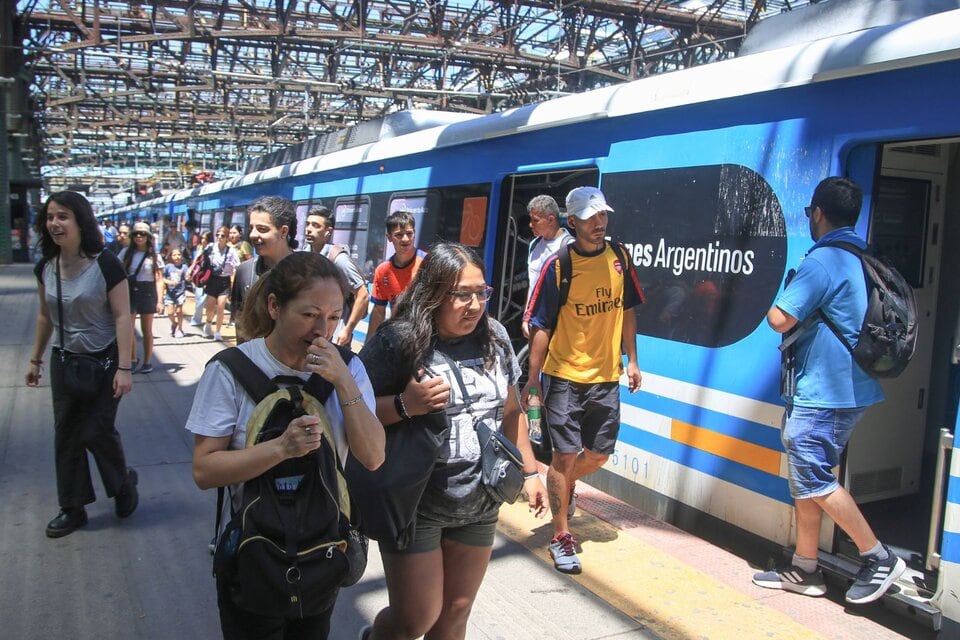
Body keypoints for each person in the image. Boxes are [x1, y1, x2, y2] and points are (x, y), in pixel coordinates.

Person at [186, 251, 385, 640]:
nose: (321, 330)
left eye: (333, 317)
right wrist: (281, 448)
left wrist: (343, 381)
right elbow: (204, 470)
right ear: (275, 306)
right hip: (254, 556)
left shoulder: (348, 368)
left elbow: (374, 456)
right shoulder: (230, 370)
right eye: (309, 315)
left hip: (323, 553)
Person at [359, 242, 547, 640]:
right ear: (434, 293)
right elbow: (350, 409)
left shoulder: (494, 336)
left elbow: (510, 409)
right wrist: (405, 405)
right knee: (415, 619)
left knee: (455, 615)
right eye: (462, 294)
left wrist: (530, 472)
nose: (475, 305)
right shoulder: (400, 340)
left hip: (479, 501)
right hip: (416, 502)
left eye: (482, 293)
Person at [753, 176, 905, 604]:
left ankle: (877, 557)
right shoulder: (863, 255)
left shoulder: (823, 262)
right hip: (852, 387)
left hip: (825, 391)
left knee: (814, 476)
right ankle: (805, 568)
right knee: (808, 476)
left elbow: (779, 319)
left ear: (817, 214)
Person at [522, 186, 644, 575]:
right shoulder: (558, 265)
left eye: (603, 215)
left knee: (599, 454)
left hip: (606, 376)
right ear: (571, 222)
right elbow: (540, 325)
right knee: (564, 456)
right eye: (591, 217)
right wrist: (533, 380)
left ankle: (561, 484)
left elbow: (627, 310)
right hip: (564, 377)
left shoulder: (620, 258)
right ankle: (561, 535)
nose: (600, 223)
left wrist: (633, 361)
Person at [25, 191, 139, 538]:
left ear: (80, 222)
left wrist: (124, 367)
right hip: (65, 361)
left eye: (63, 217)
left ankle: (122, 484)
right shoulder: (46, 266)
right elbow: (46, 317)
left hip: (104, 361)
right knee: (67, 435)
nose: (55, 224)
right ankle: (72, 508)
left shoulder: (106, 264)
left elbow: (123, 317)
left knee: (96, 430)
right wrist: (35, 359)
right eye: (50, 217)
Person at [304, 206, 370, 347]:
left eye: (315, 226)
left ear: (328, 231)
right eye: (308, 224)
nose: (309, 229)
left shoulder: (338, 259)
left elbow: (363, 295)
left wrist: (348, 329)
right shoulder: (306, 253)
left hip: (333, 337)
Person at [231, 196, 299, 333]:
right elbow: (240, 322)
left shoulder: (306, 271)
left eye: (262, 229)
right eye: (251, 228)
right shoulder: (245, 271)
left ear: (284, 231)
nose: (253, 235)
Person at [365, 211, 425, 344]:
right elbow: (378, 312)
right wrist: (368, 344)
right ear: (389, 237)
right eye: (399, 235)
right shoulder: (382, 270)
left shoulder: (428, 263)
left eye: (409, 233)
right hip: (398, 339)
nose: (405, 239)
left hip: (425, 338)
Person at [523, 195, 571, 338]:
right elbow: (532, 284)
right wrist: (526, 316)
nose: (531, 225)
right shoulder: (534, 245)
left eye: (535, 220)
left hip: (558, 325)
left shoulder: (569, 247)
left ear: (551, 220)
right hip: (534, 321)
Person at [119, 221, 164, 374]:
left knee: (147, 330)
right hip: (130, 291)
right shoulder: (126, 253)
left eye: (143, 234)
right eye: (136, 234)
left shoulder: (154, 256)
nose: (139, 236)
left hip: (148, 291)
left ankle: (147, 361)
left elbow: (159, 279)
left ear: (148, 236)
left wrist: (160, 300)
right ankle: (132, 358)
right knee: (129, 329)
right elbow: (117, 270)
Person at [203, 226, 241, 341]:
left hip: (224, 281)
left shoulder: (231, 251)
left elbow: (237, 266)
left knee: (220, 306)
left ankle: (218, 332)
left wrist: (236, 278)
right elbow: (200, 259)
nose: (219, 237)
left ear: (227, 238)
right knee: (210, 306)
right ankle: (208, 322)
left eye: (222, 235)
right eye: (218, 235)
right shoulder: (210, 247)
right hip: (212, 280)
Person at [162, 248, 189, 338]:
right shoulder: (168, 266)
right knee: (170, 313)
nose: (176, 257)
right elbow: (162, 278)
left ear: (181, 256)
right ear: (171, 256)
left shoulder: (184, 267)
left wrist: (189, 278)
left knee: (179, 311)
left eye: (178, 255)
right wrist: (168, 282)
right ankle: (174, 323)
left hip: (180, 292)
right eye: (174, 255)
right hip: (170, 293)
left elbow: (187, 277)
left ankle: (180, 329)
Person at [190, 231, 212, 329]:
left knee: (201, 300)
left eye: (205, 238)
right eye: (202, 238)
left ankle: (197, 319)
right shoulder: (201, 248)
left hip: (205, 279)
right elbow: (196, 261)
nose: (203, 240)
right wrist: (190, 270)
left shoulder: (210, 250)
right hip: (197, 277)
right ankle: (197, 319)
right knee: (199, 299)